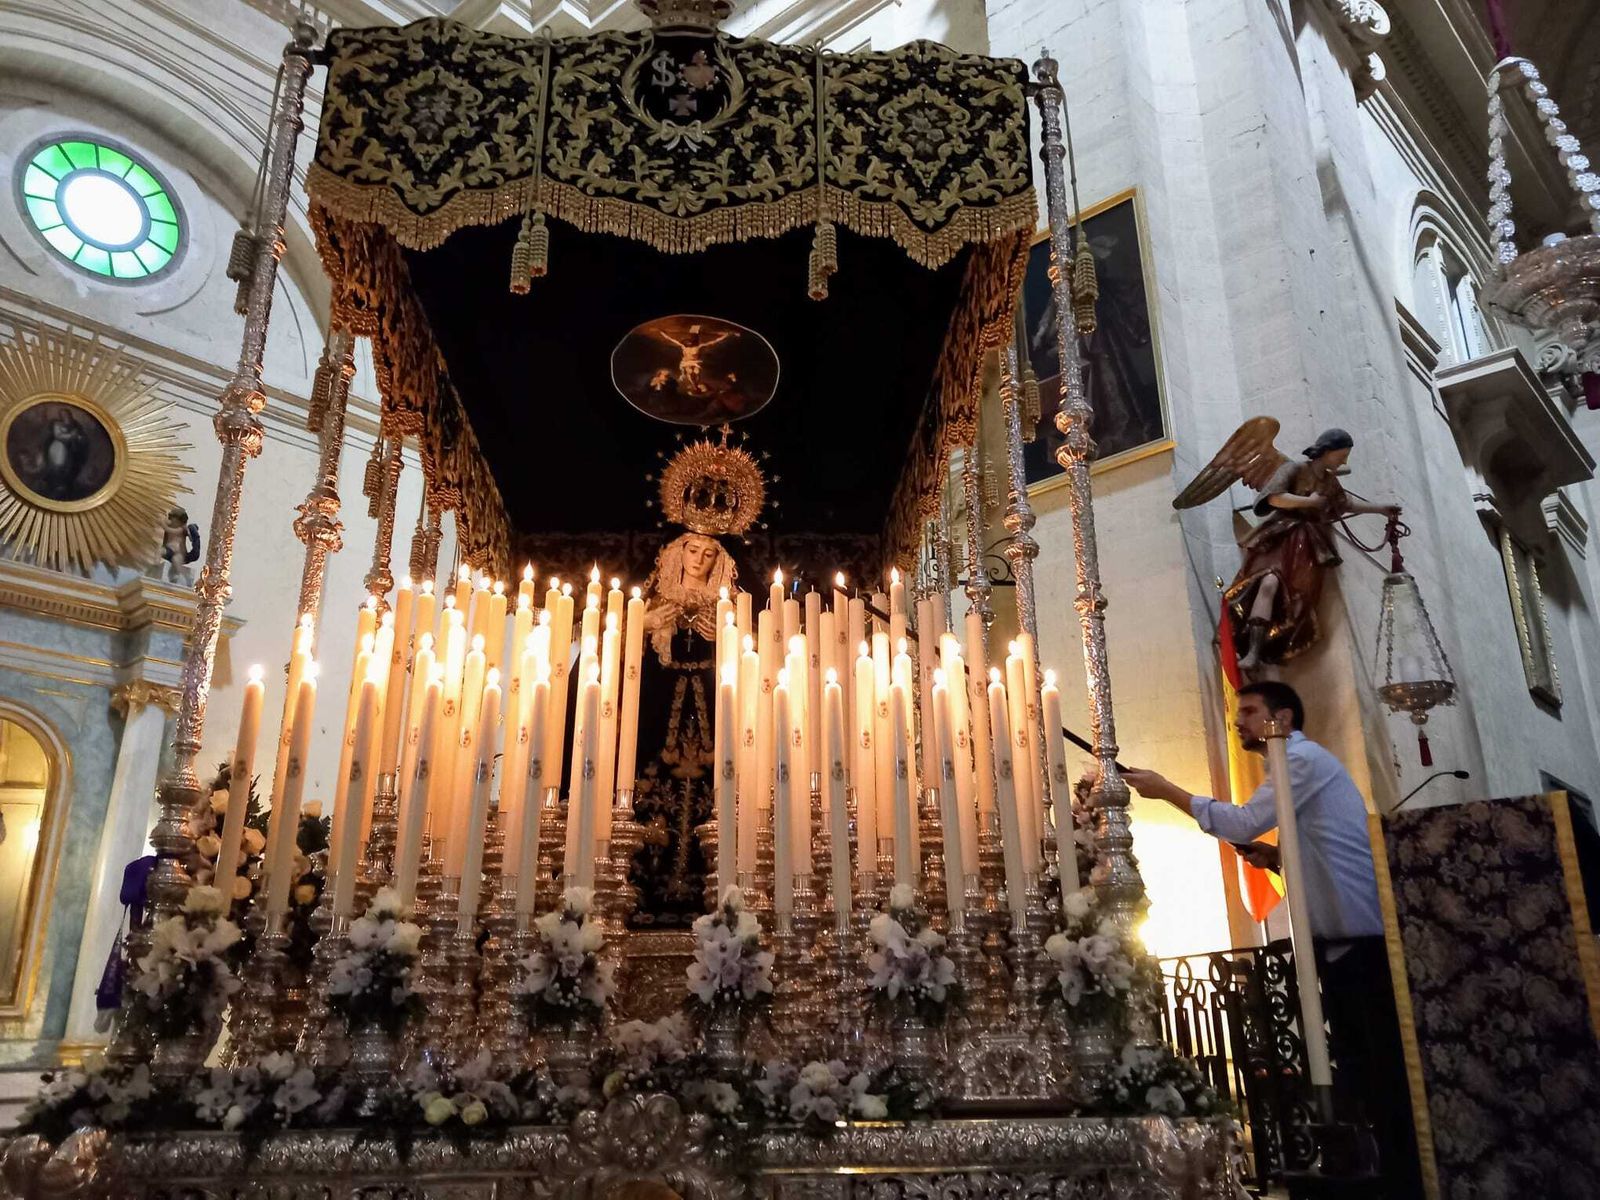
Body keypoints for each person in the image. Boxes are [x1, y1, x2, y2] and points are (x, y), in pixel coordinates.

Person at [1121, 680, 1422, 1199]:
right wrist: (1278, 858)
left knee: (1379, 1075)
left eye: (1250, 711)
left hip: (1361, 945)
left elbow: (1245, 819)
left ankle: (1406, 1179)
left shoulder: (1299, 761)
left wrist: (1168, 790)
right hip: (1339, 945)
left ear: (1281, 720)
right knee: (1359, 1069)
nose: (1239, 721)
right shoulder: (1296, 766)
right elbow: (1325, 848)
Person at [626, 531, 740, 929]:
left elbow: (751, 661)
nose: (699, 560)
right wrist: (646, 622)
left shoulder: (727, 607)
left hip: (711, 716)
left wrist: (728, 634)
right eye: (692, 551)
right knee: (653, 796)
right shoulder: (654, 602)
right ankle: (643, 887)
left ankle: (714, 890)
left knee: (715, 797)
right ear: (678, 554)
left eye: (709, 554)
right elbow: (624, 659)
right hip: (657, 721)